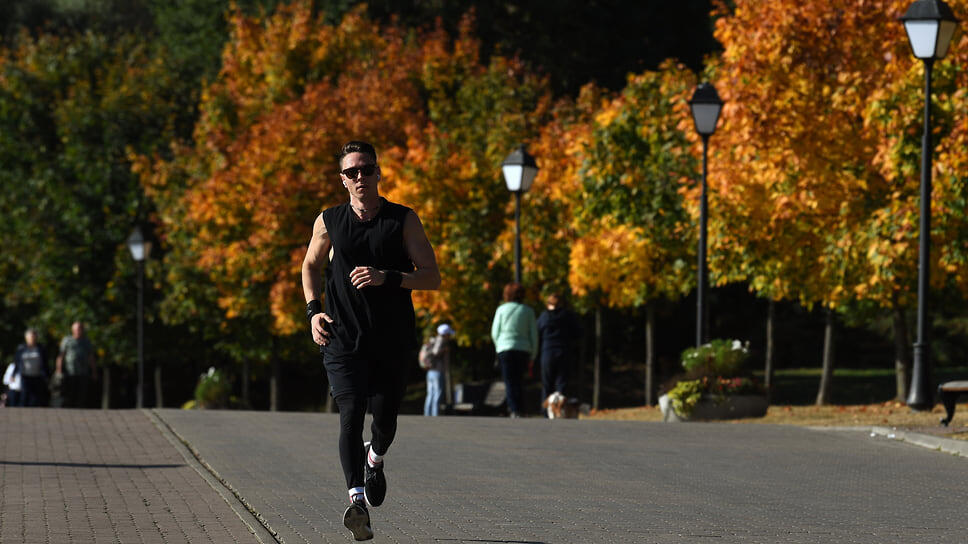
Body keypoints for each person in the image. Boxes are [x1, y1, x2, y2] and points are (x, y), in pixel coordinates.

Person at [301, 140, 440, 541]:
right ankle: (357, 502)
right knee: (350, 413)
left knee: (385, 420)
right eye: (352, 172)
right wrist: (313, 312)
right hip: (341, 337)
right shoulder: (328, 220)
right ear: (342, 179)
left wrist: (387, 277)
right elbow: (310, 265)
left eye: (366, 169)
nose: (360, 177)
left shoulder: (403, 220)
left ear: (378, 173)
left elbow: (432, 277)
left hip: (391, 340)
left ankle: (374, 459)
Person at [490, 282, 537, 418]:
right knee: (520, 380)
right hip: (523, 349)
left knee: (509, 381)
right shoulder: (528, 311)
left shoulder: (501, 309)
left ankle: (514, 409)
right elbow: (533, 335)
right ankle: (521, 408)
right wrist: (533, 355)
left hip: (505, 349)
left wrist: (499, 346)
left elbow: (495, 332)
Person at [536, 292, 581, 407]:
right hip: (564, 351)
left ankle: (547, 411)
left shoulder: (544, 316)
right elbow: (578, 333)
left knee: (547, 385)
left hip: (547, 352)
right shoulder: (568, 316)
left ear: (548, 304)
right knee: (562, 384)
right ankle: (561, 409)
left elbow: (537, 333)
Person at [56, 321, 96, 408]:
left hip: (83, 372)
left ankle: (80, 411)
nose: (79, 330)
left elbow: (91, 357)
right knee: (69, 393)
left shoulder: (86, 341)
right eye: (77, 329)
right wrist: (59, 370)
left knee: (81, 394)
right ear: (73, 330)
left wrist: (93, 371)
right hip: (70, 372)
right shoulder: (67, 340)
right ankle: (69, 411)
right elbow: (61, 356)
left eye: (80, 328)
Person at [420, 323, 454, 417]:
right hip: (437, 371)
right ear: (445, 334)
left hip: (430, 371)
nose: (449, 336)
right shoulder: (441, 340)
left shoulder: (433, 340)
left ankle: (427, 414)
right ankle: (435, 415)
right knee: (437, 393)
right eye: (449, 334)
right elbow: (435, 352)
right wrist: (445, 350)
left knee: (430, 393)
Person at [14, 328, 49, 406]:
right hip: (25, 375)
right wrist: (13, 374)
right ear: (26, 338)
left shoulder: (40, 348)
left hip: (37, 375)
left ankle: (34, 412)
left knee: (36, 397)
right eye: (30, 337)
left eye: (34, 337)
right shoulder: (21, 348)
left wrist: (47, 375)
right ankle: (21, 411)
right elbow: (17, 362)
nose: (32, 339)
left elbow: (45, 362)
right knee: (24, 395)